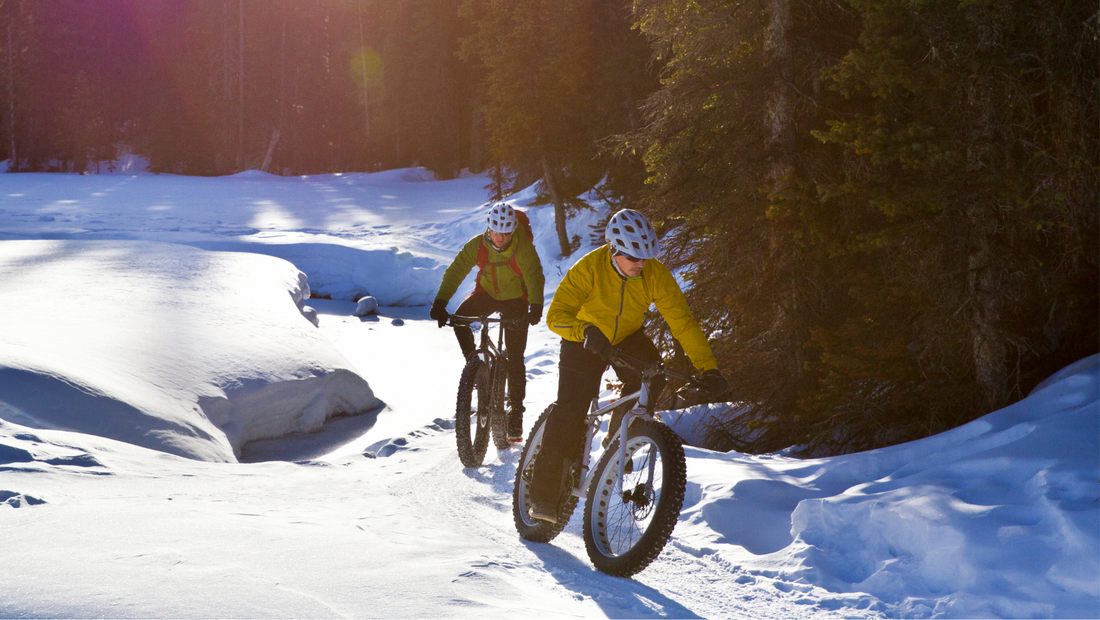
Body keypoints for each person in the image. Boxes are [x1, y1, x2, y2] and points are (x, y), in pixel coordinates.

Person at [527, 208, 728, 523]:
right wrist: (586, 331)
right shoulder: (588, 269)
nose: (641, 264)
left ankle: (618, 439)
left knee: (653, 376)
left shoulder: (654, 275)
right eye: (634, 258)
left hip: (627, 336)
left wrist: (708, 368)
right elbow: (557, 316)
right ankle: (541, 496)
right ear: (614, 250)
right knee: (570, 411)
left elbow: (683, 324)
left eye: (646, 257)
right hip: (584, 338)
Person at [430, 202, 545, 441]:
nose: (500, 238)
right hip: (487, 294)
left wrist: (535, 307)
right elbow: (456, 270)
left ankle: (516, 415)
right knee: (460, 321)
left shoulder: (522, 247)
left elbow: (534, 276)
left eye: (505, 233)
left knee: (515, 358)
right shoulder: (478, 245)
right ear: (488, 229)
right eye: (496, 232)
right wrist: (440, 302)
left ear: (512, 231)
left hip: (516, 300)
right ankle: (476, 368)